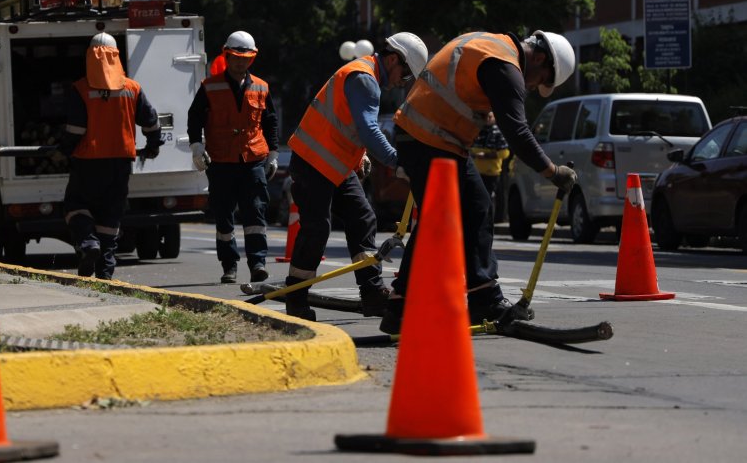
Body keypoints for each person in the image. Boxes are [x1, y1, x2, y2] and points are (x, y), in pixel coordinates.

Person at [380, 30, 578, 335]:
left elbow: (458, 89)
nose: (534, 85)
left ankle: (479, 296)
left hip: (429, 137)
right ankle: (404, 305)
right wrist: (552, 171)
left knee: (475, 207)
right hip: (430, 139)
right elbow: (518, 133)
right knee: (443, 220)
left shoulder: (489, 44)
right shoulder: (504, 65)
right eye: (541, 79)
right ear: (538, 59)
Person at [283, 32, 429, 321]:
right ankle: (296, 299)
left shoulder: (364, 75)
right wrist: (398, 162)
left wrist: (359, 155)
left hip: (333, 164)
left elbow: (346, 122)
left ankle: (372, 292)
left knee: (363, 218)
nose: (403, 82)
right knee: (317, 229)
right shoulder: (364, 78)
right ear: (390, 60)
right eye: (405, 74)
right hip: (314, 162)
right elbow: (369, 129)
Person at [60, 32, 162, 280]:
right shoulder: (132, 88)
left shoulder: (81, 89)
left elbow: (76, 130)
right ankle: (105, 272)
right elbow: (151, 122)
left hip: (88, 162)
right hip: (120, 163)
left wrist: (63, 151)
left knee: (75, 206)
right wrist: (153, 146)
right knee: (110, 215)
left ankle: (88, 244)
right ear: (116, 56)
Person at [187, 30, 279, 284]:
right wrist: (196, 146)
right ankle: (229, 266)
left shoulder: (261, 86)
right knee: (224, 215)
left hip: (253, 160)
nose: (241, 62)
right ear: (227, 56)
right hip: (221, 161)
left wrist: (272, 153)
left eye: (246, 58)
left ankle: (258, 262)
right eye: (236, 57)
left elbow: (270, 122)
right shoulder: (210, 86)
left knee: (256, 214)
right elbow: (195, 118)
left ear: (252, 59)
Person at [470, 112, 511, 216]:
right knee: (476, 198)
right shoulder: (477, 130)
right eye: (485, 116)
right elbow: (471, 148)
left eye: (490, 116)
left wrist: (486, 155)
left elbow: (504, 153)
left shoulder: (498, 132)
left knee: (488, 197)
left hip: (491, 172)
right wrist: (474, 153)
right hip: (477, 171)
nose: (487, 119)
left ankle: (491, 217)